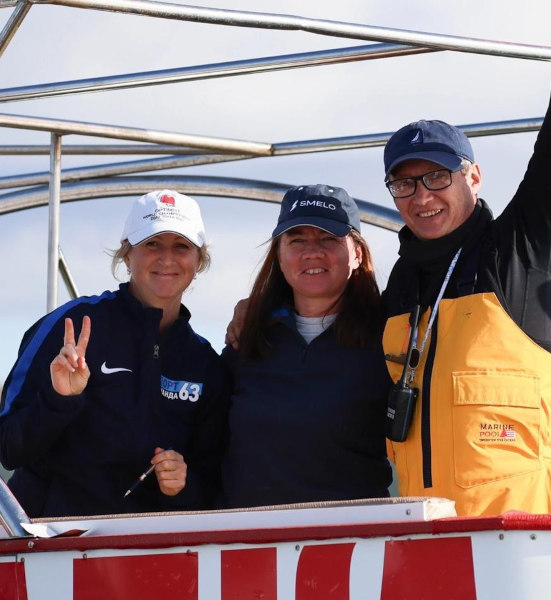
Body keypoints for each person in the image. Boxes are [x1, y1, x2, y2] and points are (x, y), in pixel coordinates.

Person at [382, 2, 551, 515]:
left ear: (473, 177)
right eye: (404, 183)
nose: (422, 195)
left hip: (521, 531)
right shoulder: (398, 284)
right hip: (426, 536)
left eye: (437, 176)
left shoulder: (520, 249)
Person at [0, 189, 229, 517]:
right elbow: (8, 448)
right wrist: (59, 400)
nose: (167, 259)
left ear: (199, 260)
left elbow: (213, 486)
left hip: (144, 544)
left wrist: (183, 486)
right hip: (51, 539)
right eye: (152, 243)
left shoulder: (204, 363)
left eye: (181, 246)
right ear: (127, 254)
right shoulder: (70, 325)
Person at [221, 184, 393, 508]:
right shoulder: (247, 339)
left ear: (357, 254)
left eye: (328, 238)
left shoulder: (388, 339)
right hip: (249, 533)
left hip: (354, 534)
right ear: (279, 255)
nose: (312, 252)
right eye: (297, 240)